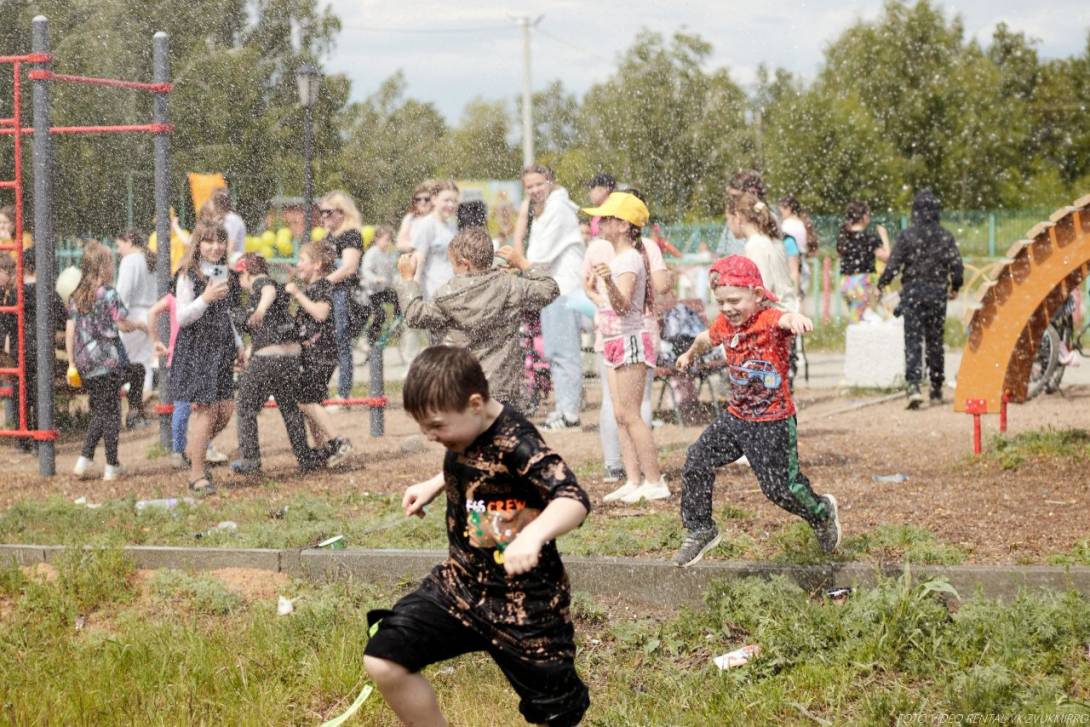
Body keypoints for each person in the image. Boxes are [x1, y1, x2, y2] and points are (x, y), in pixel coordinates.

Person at [363, 345, 591, 727]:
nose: (430, 436)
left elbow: (574, 499)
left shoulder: (519, 442)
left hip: (524, 605)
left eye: (436, 426)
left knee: (558, 712)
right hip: (461, 589)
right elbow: (476, 460)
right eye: (422, 426)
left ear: (474, 404)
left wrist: (533, 536)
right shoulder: (468, 432)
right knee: (385, 657)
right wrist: (436, 482)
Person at [672, 255, 841, 567]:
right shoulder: (725, 323)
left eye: (735, 300)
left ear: (758, 295)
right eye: (721, 302)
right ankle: (700, 529)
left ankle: (821, 512)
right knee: (697, 458)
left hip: (773, 422)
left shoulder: (769, 319)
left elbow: (784, 319)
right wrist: (689, 355)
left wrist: (796, 318)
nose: (728, 308)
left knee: (780, 490)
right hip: (737, 417)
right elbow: (705, 339)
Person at [396, 226, 559, 414]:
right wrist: (522, 263)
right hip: (502, 389)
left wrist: (408, 279)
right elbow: (550, 289)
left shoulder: (448, 296)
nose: (452, 270)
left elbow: (414, 315)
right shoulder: (510, 285)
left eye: (453, 265)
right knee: (498, 439)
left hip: (461, 387)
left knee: (467, 440)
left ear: (465, 264)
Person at [581, 192, 669, 502]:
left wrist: (606, 283)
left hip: (630, 340)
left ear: (622, 225)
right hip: (613, 341)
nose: (600, 223)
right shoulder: (618, 258)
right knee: (620, 413)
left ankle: (655, 480)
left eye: (606, 219)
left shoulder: (630, 258)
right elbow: (610, 304)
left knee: (631, 414)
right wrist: (596, 289)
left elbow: (622, 306)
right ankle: (633, 480)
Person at [230, 253, 326, 475]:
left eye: (239, 277)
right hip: (290, 358)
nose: (239, 283)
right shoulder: (280, 288)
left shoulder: (262, 285)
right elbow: (273, 329)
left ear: (246, 272)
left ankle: (250, 462)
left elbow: (267, 291)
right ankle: (305, 457)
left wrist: (260, 310)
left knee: (245, 405)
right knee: (290, 408)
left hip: (268, 360)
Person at [170, 220, 243, 495]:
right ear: (198, 244)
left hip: (220, 347)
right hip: (197, 349)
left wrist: (237, 343)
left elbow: (226, 313)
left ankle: (193, 450)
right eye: (209, 241)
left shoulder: (223, 272)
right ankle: (197, 475)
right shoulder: (188, 274)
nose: (215, 247)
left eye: (220, 241)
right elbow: (182, 316)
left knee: (225, 410)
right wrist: (206, 297)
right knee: (206, 410)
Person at [66, 242, 147, 481]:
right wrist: (141, 326)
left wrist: (72, 362)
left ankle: (84, 459)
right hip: (108, 362)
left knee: (102, 410)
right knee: (110, 413)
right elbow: (122, 323)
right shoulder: (109, 293)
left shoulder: (76, 296)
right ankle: (111, 465)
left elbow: (70, 330)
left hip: (84, 362)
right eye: (111, 262)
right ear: (102, 267)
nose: (114, 266)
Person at [877, 190, 964, 409]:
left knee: (913, 340)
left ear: (915, 211)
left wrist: (882, 282)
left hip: (913, 293)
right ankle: (935, 387)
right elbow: (957, 266)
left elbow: (894, 264)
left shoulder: (908, 236)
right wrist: (955, 286)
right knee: (935, 341)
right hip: (937, 293)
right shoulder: (945, 236)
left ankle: (914, 386)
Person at [522, 164, 586, 431]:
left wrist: (519, 263)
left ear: (550, 181)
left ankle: (570, 412)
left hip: (564, 290)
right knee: (556, 352)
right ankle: (564, 408)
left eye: (539, 183)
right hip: (552, 291)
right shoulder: (545, 210)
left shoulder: (558, 209)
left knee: (565, 352)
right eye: (529, 187)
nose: (535, 190)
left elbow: (540, 258)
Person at [147, 288, 230, 470]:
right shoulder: (200, 295)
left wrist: (155, 340)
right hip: (193, 356)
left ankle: (183, 450)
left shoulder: (173, 298)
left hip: (180, 357)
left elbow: (152, 312)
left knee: (187, 406)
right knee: (202, 405)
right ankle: (196, 448)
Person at [286, 241, 353, 466]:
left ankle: (337, 442)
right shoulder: (312, 288)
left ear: (316, 265)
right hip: (314, 354)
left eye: (302, 260)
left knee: (306, 401)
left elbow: (321, 314)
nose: (298, 264)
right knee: (309, 400)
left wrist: (296, 293)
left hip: (321, 354)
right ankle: (321, 448)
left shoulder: (322, 286)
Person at [7, 249, 66, 451]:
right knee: (41, 391)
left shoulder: (16, 293)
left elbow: (7, 322)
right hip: (41, 348)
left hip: (20, 348)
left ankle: (23, 437)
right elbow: (63, 320)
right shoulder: (48, 291)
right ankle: (41, 438)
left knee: (20, 392)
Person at [317, 190, 364, 404]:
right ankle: (320, 390)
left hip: (343, 295)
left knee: (341, 344)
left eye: (327, 212)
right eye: (321, 212)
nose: (323, 217)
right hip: (330, 295)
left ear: (341, 213)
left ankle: (344, 395)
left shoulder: (350, 235)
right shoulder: (329, 237)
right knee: (324, 342)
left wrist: (322, 283)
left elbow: (349, 268)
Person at [114, 229, 157, 429]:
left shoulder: (130, 261)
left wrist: (118, 317)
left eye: (119, 245)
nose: (118, 250)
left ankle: (119, 411)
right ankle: (137, 411)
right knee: (142, 365)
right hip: (151, 314)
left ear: (129, 241)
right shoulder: (152, 259)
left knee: (122, 366)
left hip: (132, 315)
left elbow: (123, 293)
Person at [729, 192, 798, 313]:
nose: (728, 226)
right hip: (786, 314)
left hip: (775, 319)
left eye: (728, 219)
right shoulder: (771, 240)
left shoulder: (756, 246)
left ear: (738, 217)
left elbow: (762, 289)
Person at [836, 201, 892, 322]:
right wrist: (884, 236)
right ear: (864, 217)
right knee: (869, 321)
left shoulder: (844, 237)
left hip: (846, 283)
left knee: (857, 319)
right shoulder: (869, 238)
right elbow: (888, 258)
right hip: (862, 283)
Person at [411, 180, 459, 302]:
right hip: (432, 294)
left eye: (454, 201)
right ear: (434, 199)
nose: (451, 205)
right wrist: (414, 295)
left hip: (452, 292)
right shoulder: (427, 225)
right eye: (447, 200)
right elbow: (418, 260)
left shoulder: (452, 226)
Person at [359, 225, 400, 345]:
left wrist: (397, 281)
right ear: (377, 239)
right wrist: (376, 278)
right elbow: (366, 271)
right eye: (386, 239)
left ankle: (397, 324)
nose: (388, 242)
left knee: (397, 297)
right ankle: (370, 341)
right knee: (380, 315)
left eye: (389, 240)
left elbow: (390, 273)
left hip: (381, 290)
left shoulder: (387, 254)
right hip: (370, 291)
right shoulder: (372, 253)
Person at [717, 170, 771, 257]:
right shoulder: (735, 220)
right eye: (730, 198)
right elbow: (722, 257)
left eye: (736, 197)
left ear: (753, 194)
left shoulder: (768, 221)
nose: (732, 203)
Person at [777, 195, 819, 299]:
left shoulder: (785, 226)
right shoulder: (803, 224)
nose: (780, 213)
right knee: (799, 299)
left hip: (789, 264)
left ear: (789, 209)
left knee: (789, 299)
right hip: (803, 264)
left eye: (781, 210)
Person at [396, 182, 434, 254]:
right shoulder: (410, 219)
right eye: (418, 199)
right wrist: (416, 246)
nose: (423, 202)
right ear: (414, 202)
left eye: (427, 199)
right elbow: (400, 243)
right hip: (414, 259)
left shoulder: (437, 218)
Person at [211, 188, 247, 260]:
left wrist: (222, 263)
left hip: (234, 260)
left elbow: (230, 246)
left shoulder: (231, 219)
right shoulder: (222, 218)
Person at [586, 172, 615, 238]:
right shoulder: (599, 213)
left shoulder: (612, 214)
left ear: (605, 189)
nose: (589, 193)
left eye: (592, 188)